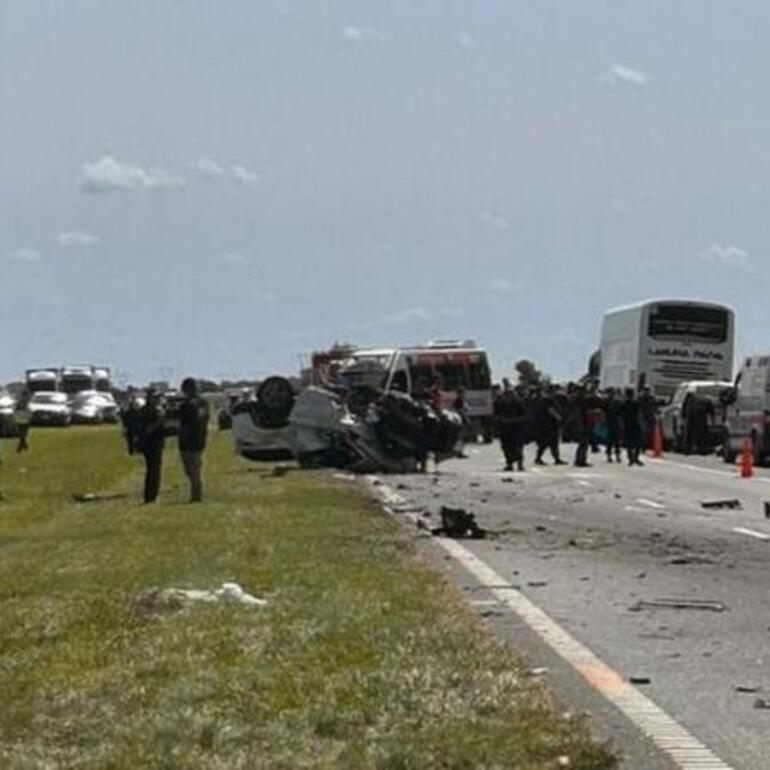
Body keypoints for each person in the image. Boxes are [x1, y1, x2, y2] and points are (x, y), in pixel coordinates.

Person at [178, 377, 209, 503]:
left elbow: (183, 423)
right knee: (195, 468)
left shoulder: (186, 405)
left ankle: (196, 495)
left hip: (188, 441)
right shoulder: (204, 403)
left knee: (191, 469)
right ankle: (196, 493)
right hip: (200, 438)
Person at [136, 389, 166, 503]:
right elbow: (153, 426)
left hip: (147, 444)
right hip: (154, 443)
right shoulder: (155, 410)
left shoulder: (143, 410)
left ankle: (149, 495)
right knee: (154, 470)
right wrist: (160, 420)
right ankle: (151, 495)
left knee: (151, 469)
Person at [494, 379, 527, 471]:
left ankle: (520, 464)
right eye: (507, 395)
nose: (509, 397)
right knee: (506, 447)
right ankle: (509, 464)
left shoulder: (519, 403)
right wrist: (501, 420)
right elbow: (496, 415)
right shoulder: (500, 403)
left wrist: (512, 420)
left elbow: (525, 416)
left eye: (511, 394)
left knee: (518, 447)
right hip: (504, 429)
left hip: (517, 428)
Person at [533, 386, 565, 465]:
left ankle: (553, 458)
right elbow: (551, 410)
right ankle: (554, 458)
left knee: (547, 443)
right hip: (549, 424)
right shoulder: (548, 400)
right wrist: (559, 418)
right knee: (551, 442)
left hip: (544, 424)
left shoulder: (543, 400)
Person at [621, 388, 644, 466]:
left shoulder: (626, 404)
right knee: (636, 443)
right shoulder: (633, 403)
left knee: (631, 443)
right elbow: (639, 414)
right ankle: (633, 458)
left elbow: (621, 414)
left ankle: (632, 458)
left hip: (630, 425)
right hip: (633, 425)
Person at [604, 388, 623, 463]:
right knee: (611, 440)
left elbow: (620, 411)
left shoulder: (617, 401)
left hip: (615, 422)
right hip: (611, 422)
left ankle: (617, 455)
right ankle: (610, 455)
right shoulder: (607, 401)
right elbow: (605, 411)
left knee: (616, 440)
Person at [638, 386, 659, 452]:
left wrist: (656, 413)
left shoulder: (651, 399)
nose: (646, 392)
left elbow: (655, 407)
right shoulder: (640, 398)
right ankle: (642, 445)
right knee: (643, 431)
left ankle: (645, 445)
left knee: (649, 432)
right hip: (642, 416)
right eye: (645, 390)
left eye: (647, 391)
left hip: (649, 417)